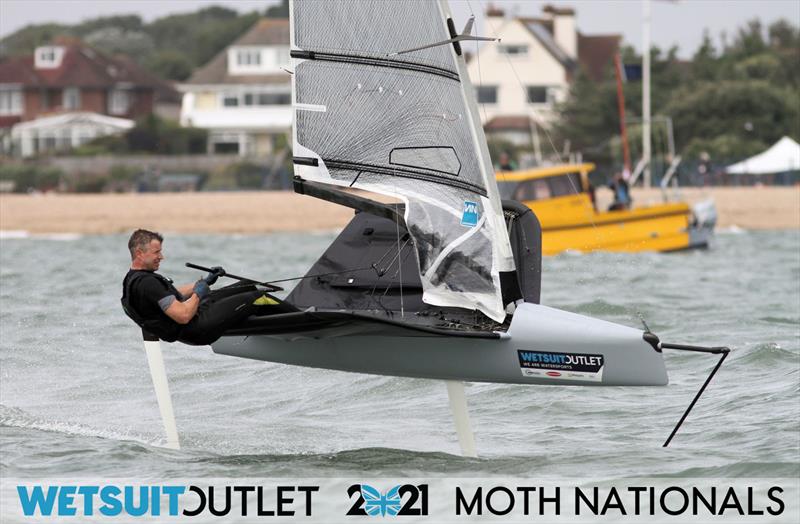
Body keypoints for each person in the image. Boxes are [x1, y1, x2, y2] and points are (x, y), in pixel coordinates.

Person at [121, 229, 279, 345]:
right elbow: (183, 315)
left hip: (193, 322)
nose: (161, 257)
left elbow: (171, 295)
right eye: (157, 252)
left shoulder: (134, 278)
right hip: (197, 328)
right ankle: (300, 319)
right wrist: (197, 294)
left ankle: (270, 322)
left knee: (246, 286)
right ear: (140, 253)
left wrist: (204, 282)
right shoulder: (147, 283)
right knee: (258, 298)